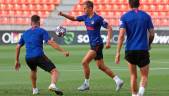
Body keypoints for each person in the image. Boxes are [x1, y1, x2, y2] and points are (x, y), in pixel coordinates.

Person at [58, 0, 123, 91]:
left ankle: (86, 84)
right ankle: (118, 80)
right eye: (83, 8)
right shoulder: (85, 17)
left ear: (90, 8)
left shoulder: (98, 18)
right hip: (94, 44)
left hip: (97, 45)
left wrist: (108, 41)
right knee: (101, 66)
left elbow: (109, 28)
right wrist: (63, 14)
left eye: (85, 8)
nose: (83, 10)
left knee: (84, 62)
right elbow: (73, 18)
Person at [15, 15, 69, 95]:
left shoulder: (25, 33)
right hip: (38, 55)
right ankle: (52, 85)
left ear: (31, 22)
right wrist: (63, 51)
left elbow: (18, 46)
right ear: (39, 22)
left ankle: (34, 90)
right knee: (54, 71)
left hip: (28, 58)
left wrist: (17, 60)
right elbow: (50, 42)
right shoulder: (41, 31)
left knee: (33, 70)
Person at [115, 0, 155, 96]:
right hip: (143, 49)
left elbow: (121, 35)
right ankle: (140, 92)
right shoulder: (146, 16)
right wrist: (148, 44)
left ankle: (134, 94)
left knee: (133, 75)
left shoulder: (125, 17)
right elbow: (152, 34)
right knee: (144, 76)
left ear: (129, 4)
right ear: (139, 4)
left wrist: (118, 52)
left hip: (130, 50)